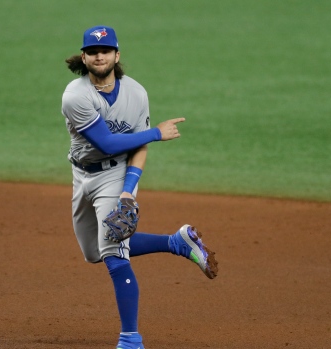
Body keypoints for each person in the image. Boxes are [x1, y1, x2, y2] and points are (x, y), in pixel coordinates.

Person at [61, 26, 218, 349]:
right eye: (92, 51)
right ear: (84, 57)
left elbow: (136, 149)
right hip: (82, 174)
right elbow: (105, 142)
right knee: (93, 252)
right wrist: (156, 133)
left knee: (114, 254)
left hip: (116, 175)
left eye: (105, 50)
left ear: (117, 55)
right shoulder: (75, 96)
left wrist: (128, 190)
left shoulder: (137, 94)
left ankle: (130, 339)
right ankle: (177, 242)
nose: (99, 55)